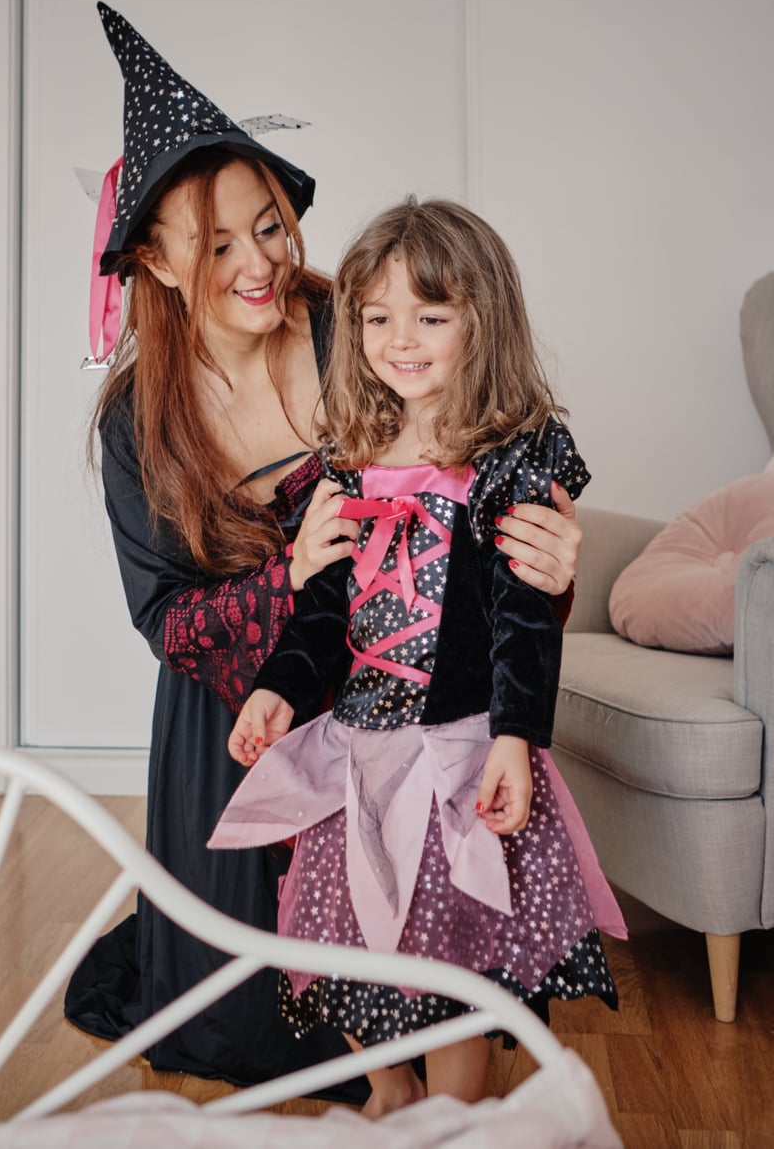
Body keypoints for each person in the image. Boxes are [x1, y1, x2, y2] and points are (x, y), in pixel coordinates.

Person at [64, 4, 584, 1094]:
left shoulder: (356, 324)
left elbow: (473, 494)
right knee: (265, 1024)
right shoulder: (135, 425)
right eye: (215, 244)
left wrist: (546, 550)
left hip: (416, 704)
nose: (258, 261)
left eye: (267, 223)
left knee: (442, 961)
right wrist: (289, 576)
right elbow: (168, 624)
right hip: (243, 711)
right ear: (153, 263)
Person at [209, 196, 627, 1116]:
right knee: (348, 940)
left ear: (484, 318)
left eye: (430, 316)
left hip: (457, 761)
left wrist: (516, 737)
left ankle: (452, 1121)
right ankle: (390, 1094)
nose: (401, 339)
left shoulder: (509, 462)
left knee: (450, 970)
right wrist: (279, 689)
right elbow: (321, 611)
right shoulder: (349, 460)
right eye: (378, 316)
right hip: (359, 755)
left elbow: (523, 617)